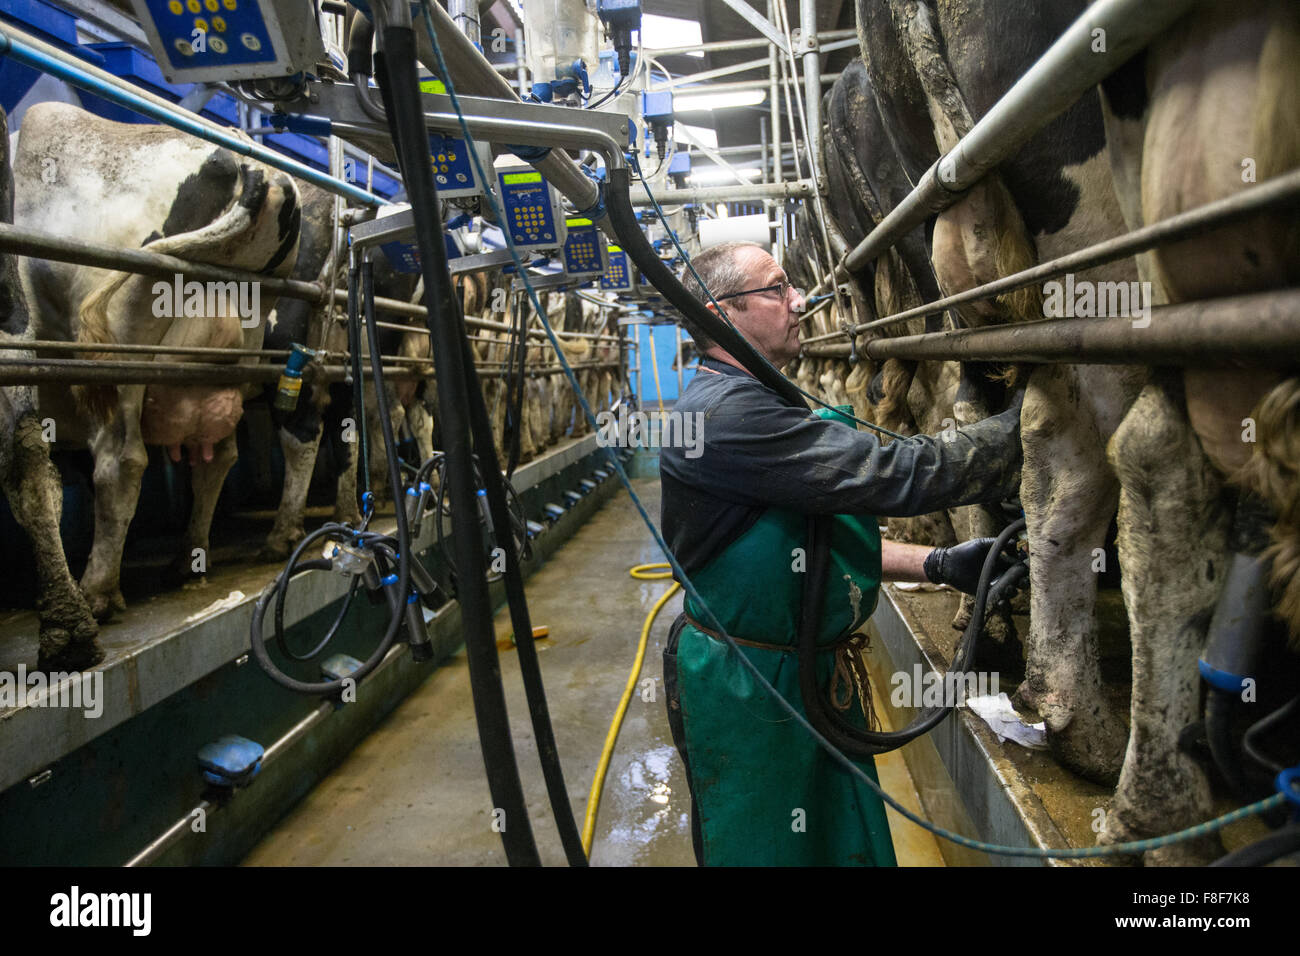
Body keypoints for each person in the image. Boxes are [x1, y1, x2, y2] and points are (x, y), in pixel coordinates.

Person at [659, 240, 1024, 866]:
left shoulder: (758, 401)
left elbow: (805, 549)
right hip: (753, 692)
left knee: (836, 843)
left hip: (798, 675)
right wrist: (1024, 428)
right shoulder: (727, 418)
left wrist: (937, 564)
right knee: (772, 849)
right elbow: (898, 472)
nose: (799, 301)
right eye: (777, 289)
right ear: (724, 314)